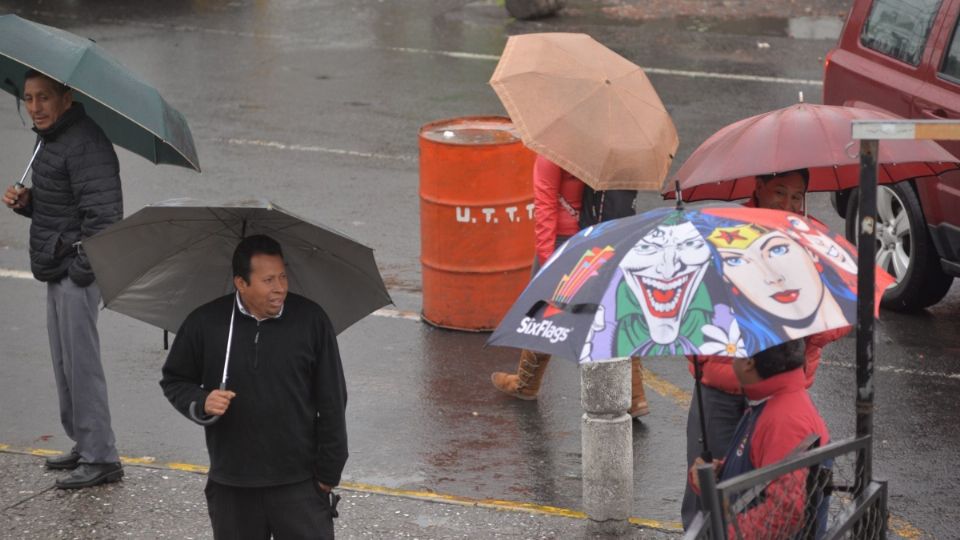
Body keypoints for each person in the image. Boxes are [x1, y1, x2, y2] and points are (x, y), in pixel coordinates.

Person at [680, 169, 849, 528]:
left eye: (797, 196)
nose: (788, 204)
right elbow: (700, 312)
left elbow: (844, 310)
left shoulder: (812, 239)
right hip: (723, 388)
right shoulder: (726, 236)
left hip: (780, 390)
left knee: (768, 494)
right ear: (758, 188)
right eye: (779, 192)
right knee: (708, 492)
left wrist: (801, 333)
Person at [160, 235, 348, 540]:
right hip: (232, 486)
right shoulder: (206, 323)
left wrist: (328, 473)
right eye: (268, 280)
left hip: (298, 483)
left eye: (283, 276)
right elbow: (175, 379)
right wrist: (202, 400)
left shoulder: (312, 321)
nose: (280, 288)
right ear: (241, 283)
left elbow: (333, 400)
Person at [2, 70, 124, 489]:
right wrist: (28, 203)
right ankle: (84, 443)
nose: (35, 107)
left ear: (66, 98)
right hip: (60, 266)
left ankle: (102, 456)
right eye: (29, 98)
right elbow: (64, 207)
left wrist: (79, 271)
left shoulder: (85, 143)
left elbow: (105, 220)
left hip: (77, 271)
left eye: (44, 98)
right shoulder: (53, 139)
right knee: (64, 364)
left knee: (82, 365)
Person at [490, 155, 650, 418]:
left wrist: (546, 263)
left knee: (542, 315)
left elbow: (544, 206)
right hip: (599, 238)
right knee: (611, 312)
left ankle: (525, 383)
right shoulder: (604, 150)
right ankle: (635, 396)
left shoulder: (553, 154)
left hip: (563, 243)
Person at [687, 339, 830, 539]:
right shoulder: (771, 402)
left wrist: (724, 535)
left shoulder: (784, 421)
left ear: (748, 363)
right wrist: (715, 477)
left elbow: (785, 512)